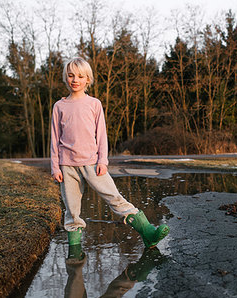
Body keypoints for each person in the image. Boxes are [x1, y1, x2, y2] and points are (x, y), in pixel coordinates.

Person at [51, 57, 169, 250]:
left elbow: (102, 135)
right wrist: (55, 167)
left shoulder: (94, 104)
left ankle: (147, 232)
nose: (75, 80)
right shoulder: (59, 106)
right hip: (67, 165)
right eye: (71, 75)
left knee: (114, 196)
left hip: (92, 162)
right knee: (72, 208)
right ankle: (74, 250)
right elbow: (55, 139)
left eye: (80, 76)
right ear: (66, 77)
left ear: (87, 79)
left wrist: (102, 160)